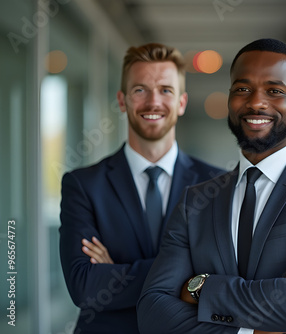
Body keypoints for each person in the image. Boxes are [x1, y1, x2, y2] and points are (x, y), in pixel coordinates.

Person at [136, 38, 286, 334]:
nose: (256, 102)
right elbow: (152, 313)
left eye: (274, 91)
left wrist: (201, 288)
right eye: (243, 89)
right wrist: (252, 329)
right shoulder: (196, 202)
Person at [59, 43, 224, 334]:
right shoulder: (83, 185)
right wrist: (190, 273)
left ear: (182, 102)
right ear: (122, 100)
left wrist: (113, 271)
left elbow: (227, 273)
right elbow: (85, 286)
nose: (153, 102)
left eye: (166, 90)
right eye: (140, 90)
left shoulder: (218, 185)